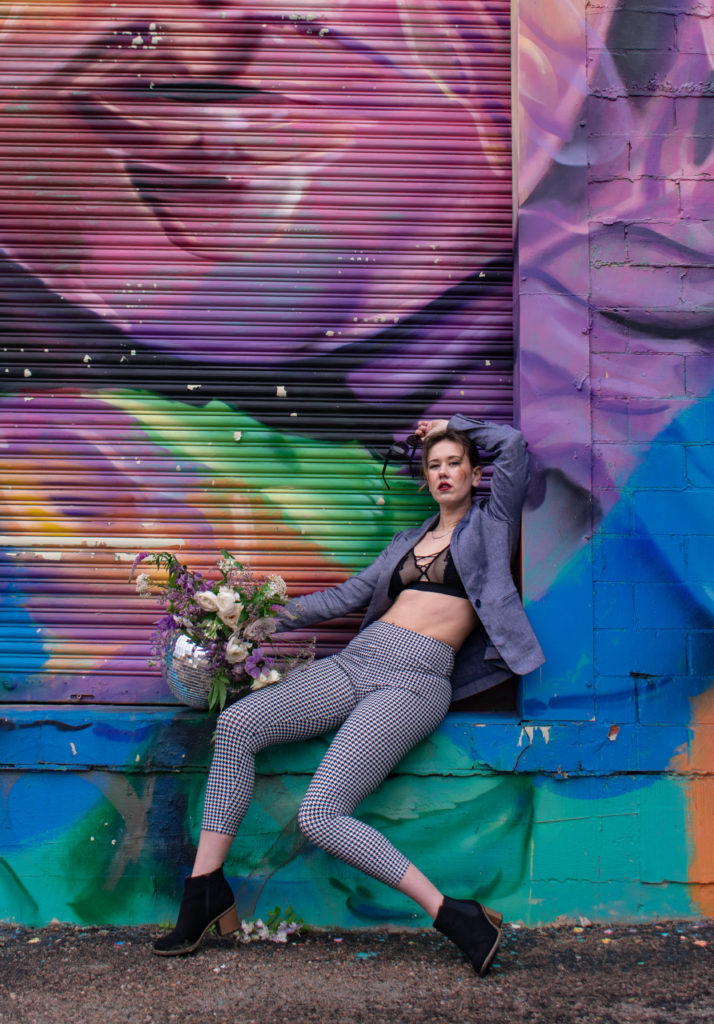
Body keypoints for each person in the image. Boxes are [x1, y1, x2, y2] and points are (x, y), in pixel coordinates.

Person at [153, 412, 545, 975]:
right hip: (358, 660)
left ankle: (452, 914)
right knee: (237, 725)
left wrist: (447, 426)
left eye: (454, 462)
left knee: (320, 815)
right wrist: (255, 621)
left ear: (474, 472)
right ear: (424, 481)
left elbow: (513, 442)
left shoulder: (493, 521)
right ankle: (204, 892)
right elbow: (344, 597)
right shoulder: (407, 540)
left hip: (415, 680)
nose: (443, 472)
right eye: (433, 466)